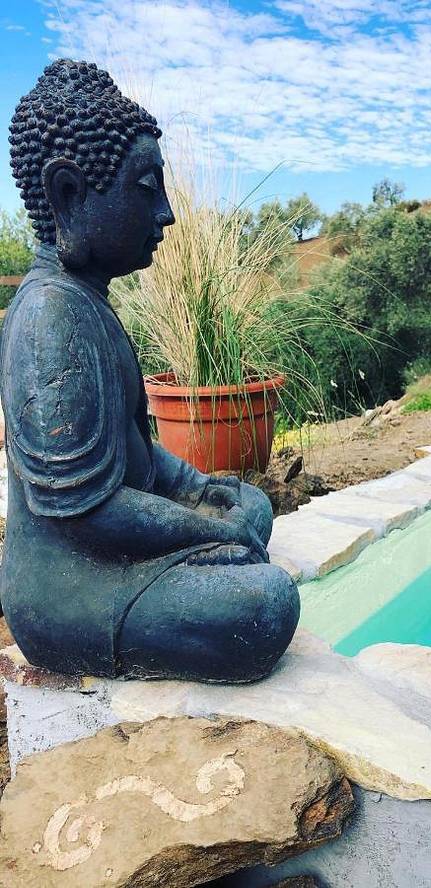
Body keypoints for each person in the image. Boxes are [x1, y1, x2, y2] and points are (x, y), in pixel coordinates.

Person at [1, 59, 299, 683]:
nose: (166, 214)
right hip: (73, 587)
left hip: (114, 540)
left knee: (251, 506)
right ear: (68, 194)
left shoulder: (89, 304)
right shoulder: (49, 317)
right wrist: (201, 529)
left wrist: (199, 486)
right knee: (264, 606)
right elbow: (85, 512)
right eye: (145, 189)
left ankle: (218, 545)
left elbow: (137, 454)